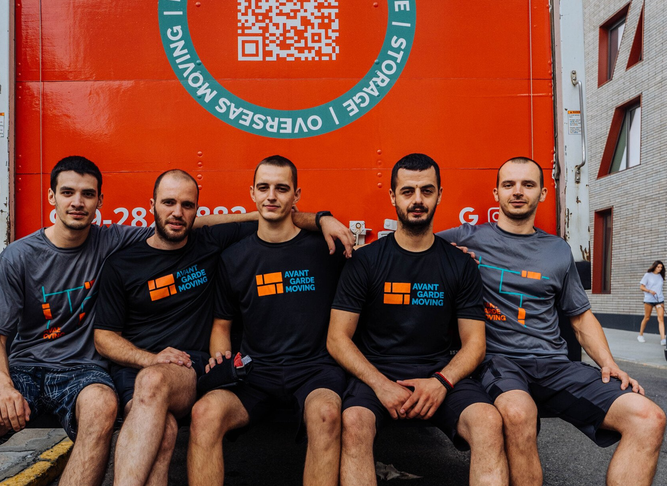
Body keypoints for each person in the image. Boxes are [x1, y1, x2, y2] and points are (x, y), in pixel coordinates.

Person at [93, 167, 352, 486]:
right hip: (148, 367)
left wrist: (323, 218)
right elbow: (104, 337)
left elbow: (274, 216)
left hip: (191, 365)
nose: (177, 212)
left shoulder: (210, 241)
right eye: (168, 203)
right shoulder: (122, 263)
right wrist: (151, 358)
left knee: (155, 387)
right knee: (167, 426)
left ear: (197, 212)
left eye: (187, 206)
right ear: (152, 204)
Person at [438, 156, 666, 486]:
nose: (518, 192)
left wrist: (609, 363)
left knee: (649, 417)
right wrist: (331, 220)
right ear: (496, 193)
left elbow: (580, 317)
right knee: (518, 413)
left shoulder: (558, 250)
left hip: (554, 364)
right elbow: (406, 243)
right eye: (509, 185)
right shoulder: (466, 237)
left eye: (528, 185)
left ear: (543, 194)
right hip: (498, 362)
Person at [0, 156, 153, 486]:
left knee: (101, 406)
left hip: (84, 370)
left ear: (99, 200)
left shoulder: (109, 241)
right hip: (26, 369)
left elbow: (176, 223)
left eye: (87, 194)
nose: (77, 202)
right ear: (52, 196)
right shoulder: (19, 256)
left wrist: (259, 219)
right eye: (68, 192)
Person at [327, 153, 508, 486]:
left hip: (439, 373)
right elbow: (337, 338)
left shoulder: (460, 264)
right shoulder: (365, 262)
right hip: (377, 375)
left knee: (487, 421)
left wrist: (441, 382)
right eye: (407, 191)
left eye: (427, 190)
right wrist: (381, 384)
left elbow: (475, 343)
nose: (417, 200)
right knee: (353, 422)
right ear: (393, 196)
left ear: (439, 194)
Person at [188, 156, 348, 486]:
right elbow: (222, 324)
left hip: (314, 369)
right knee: (205, 414)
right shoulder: (233, 257)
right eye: (264, 188)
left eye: (281, 188)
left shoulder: (326, 249)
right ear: (252, 193)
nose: (271, 196)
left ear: (296, 195)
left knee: (327, 414)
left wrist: (323, 220)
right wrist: (222, 360)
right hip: (255, 372)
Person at [638, 261, 666, 345]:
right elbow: (641, 287)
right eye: (658, 267)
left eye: (661, 267)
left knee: (661, 319)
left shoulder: (661, 276)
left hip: (659, 300)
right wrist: (649, 290)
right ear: (654, 267)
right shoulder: (648, 275)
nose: (660, 269)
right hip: (649, 299)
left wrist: (661, 299)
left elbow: (659, 289)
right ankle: (640, 335)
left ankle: (663, 339)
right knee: (647, 317)